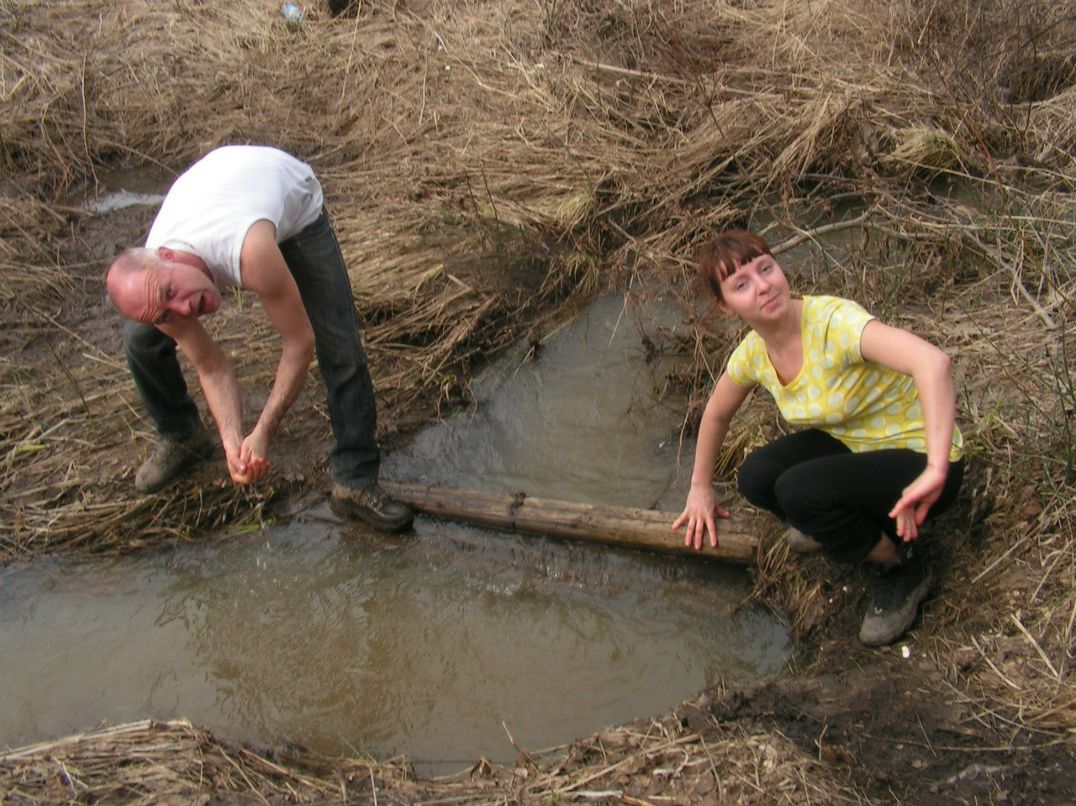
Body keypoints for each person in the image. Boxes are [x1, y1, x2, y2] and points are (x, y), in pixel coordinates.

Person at [673, 229, 964, 646]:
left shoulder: (833, 322)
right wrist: (700, 488)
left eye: (766, 268)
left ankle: (901, 567)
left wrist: (936, 466)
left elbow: (932, 363)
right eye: (741, 284)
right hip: (862, 444)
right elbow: (716, 414)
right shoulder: (755, 354)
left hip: (923, 461)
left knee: (798, 490)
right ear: (725, 306)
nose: (763, 286)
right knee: (756, 475)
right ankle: (847, 526)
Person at [105, 145, 413, 532]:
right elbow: (211, 365)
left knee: (340, 345)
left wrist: (263, 431)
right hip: (222, 190)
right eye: (166, 313)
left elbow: (299, 343)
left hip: (290, 197)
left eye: (172, 294)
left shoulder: (249, 251)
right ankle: (182, 435)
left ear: (168, 256)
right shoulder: (156, 295)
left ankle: (355, 480)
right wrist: (235, 442)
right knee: (140, 338)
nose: (184, 311)